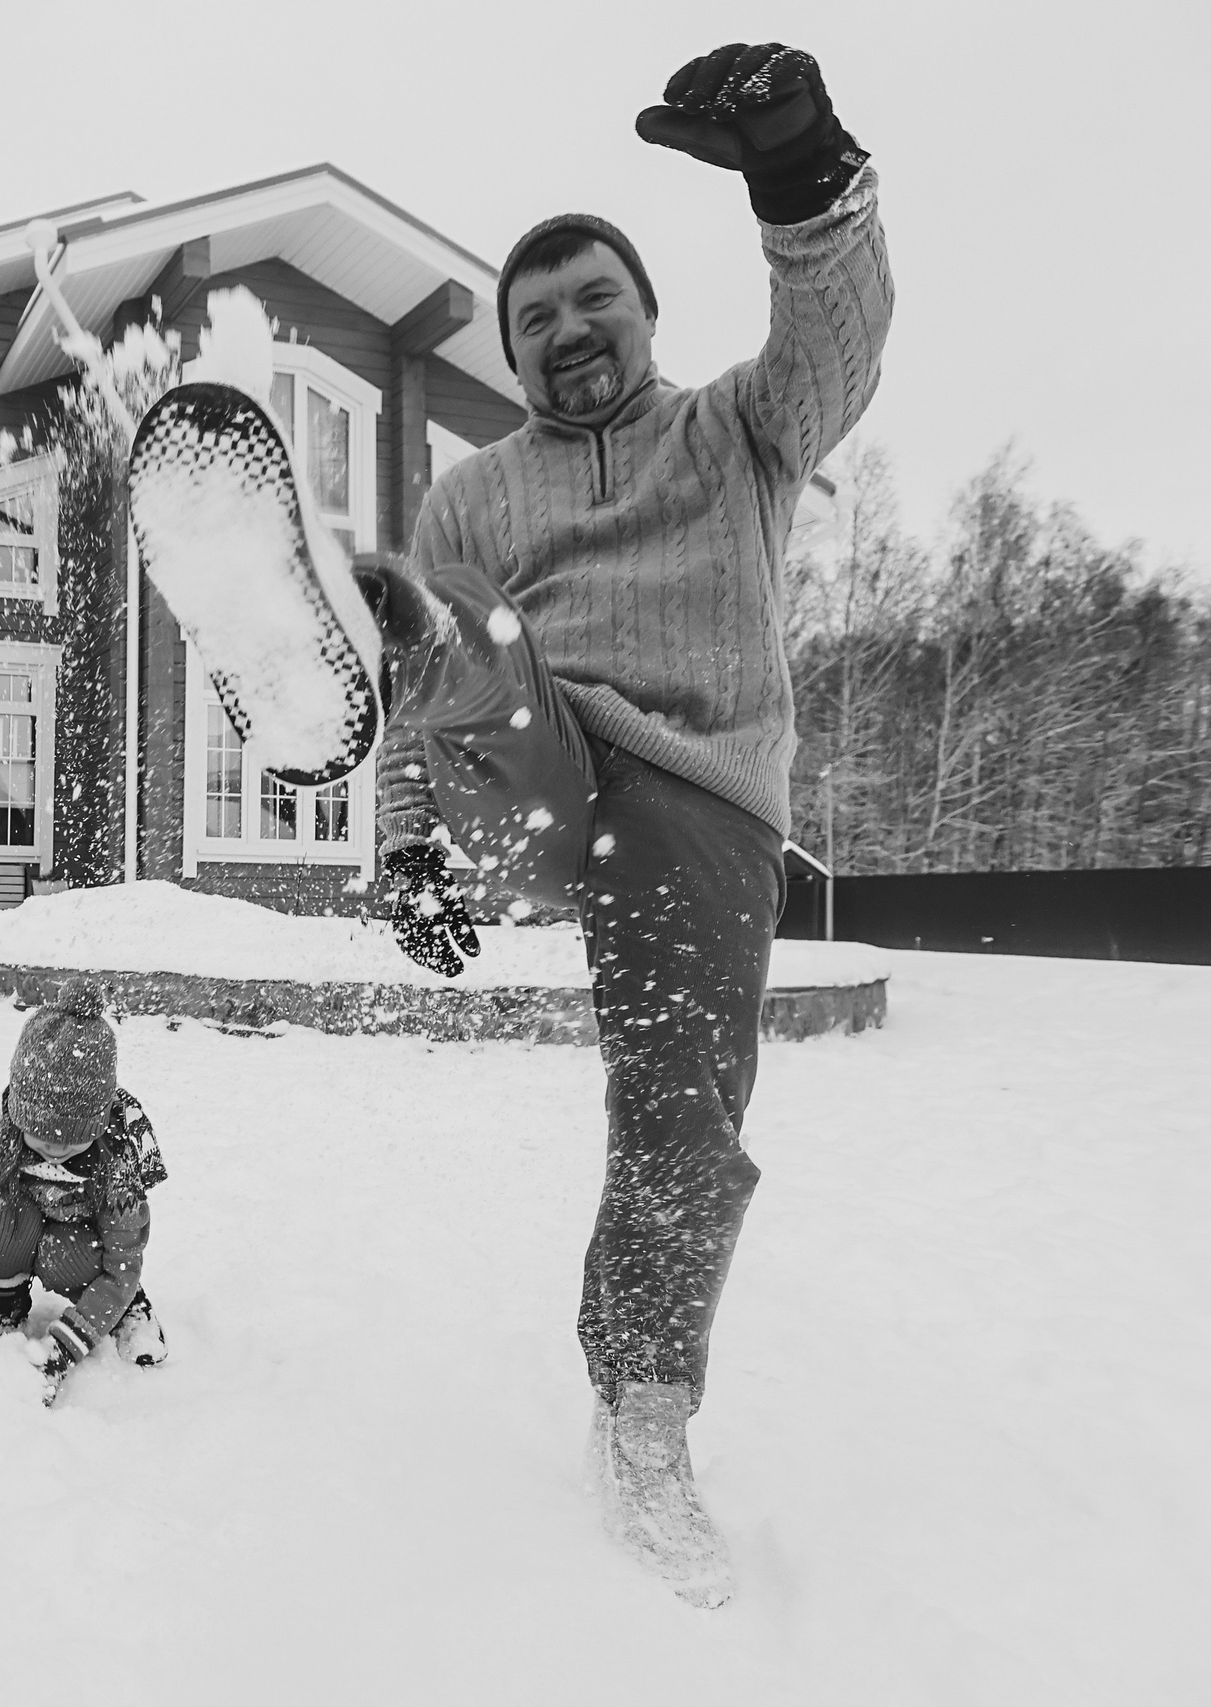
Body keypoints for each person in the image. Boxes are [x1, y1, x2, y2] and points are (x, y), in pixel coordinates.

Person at [356, 43, 890, 1604]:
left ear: (646, 315)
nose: (567, 332)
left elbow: (838, 351)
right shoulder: (476, 493)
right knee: (471, 648)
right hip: (531, 758)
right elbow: (425, 699)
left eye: (594, 303)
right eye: (535, 321)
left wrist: (802, 178)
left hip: (705, 803)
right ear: (511, 354)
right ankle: (329, 617)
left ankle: (643, 1409)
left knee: (681, 1115)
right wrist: (402, 842)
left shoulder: (737, 432)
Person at [0, 979, 168, 1404]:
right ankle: (4, 1296)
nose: (55, 1148)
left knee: (67, 1248)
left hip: (82, 1254)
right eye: (39, 1133)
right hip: (22, 1227)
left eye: (73, 1137)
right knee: (1, 1217)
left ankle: (125, 1308)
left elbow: (122, 1262)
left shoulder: (115, 1170)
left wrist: (64, 1348)